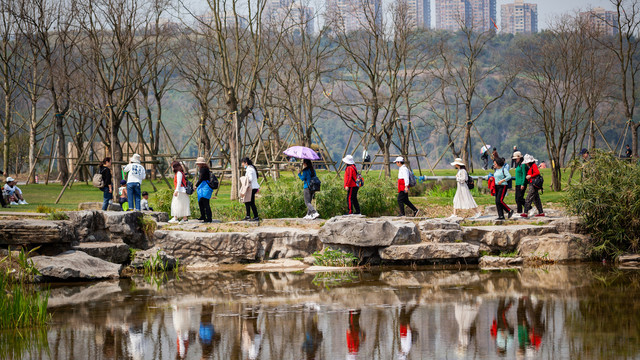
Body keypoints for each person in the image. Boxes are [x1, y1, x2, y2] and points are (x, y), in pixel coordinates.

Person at [195, 157, 212, 223]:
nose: (198, 165)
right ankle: (203, 216)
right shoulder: (204, 169)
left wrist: (196, 185)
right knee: (201, 202)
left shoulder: (203, 169)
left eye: (198, 164)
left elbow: (201, 178)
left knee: (205, 203)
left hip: (204, 187)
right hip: (203, 187)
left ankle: (208, 218)